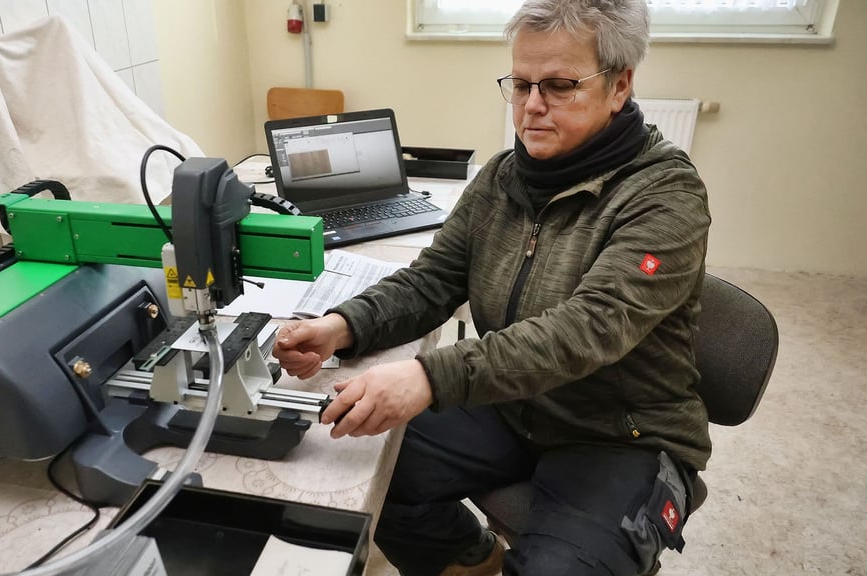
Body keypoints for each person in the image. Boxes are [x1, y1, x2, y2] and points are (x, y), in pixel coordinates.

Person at [272, 0, 711, 574]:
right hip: (514, 405)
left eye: (558, 85)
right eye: (522, 84)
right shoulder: (502, 177)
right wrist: (343, 326)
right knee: (358, 467)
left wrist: (432, 375)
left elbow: (588, 330)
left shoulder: (667, 196)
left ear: (619, 85)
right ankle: (475, 559)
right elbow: (433, 281)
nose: (531, 107)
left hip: (621, 435)